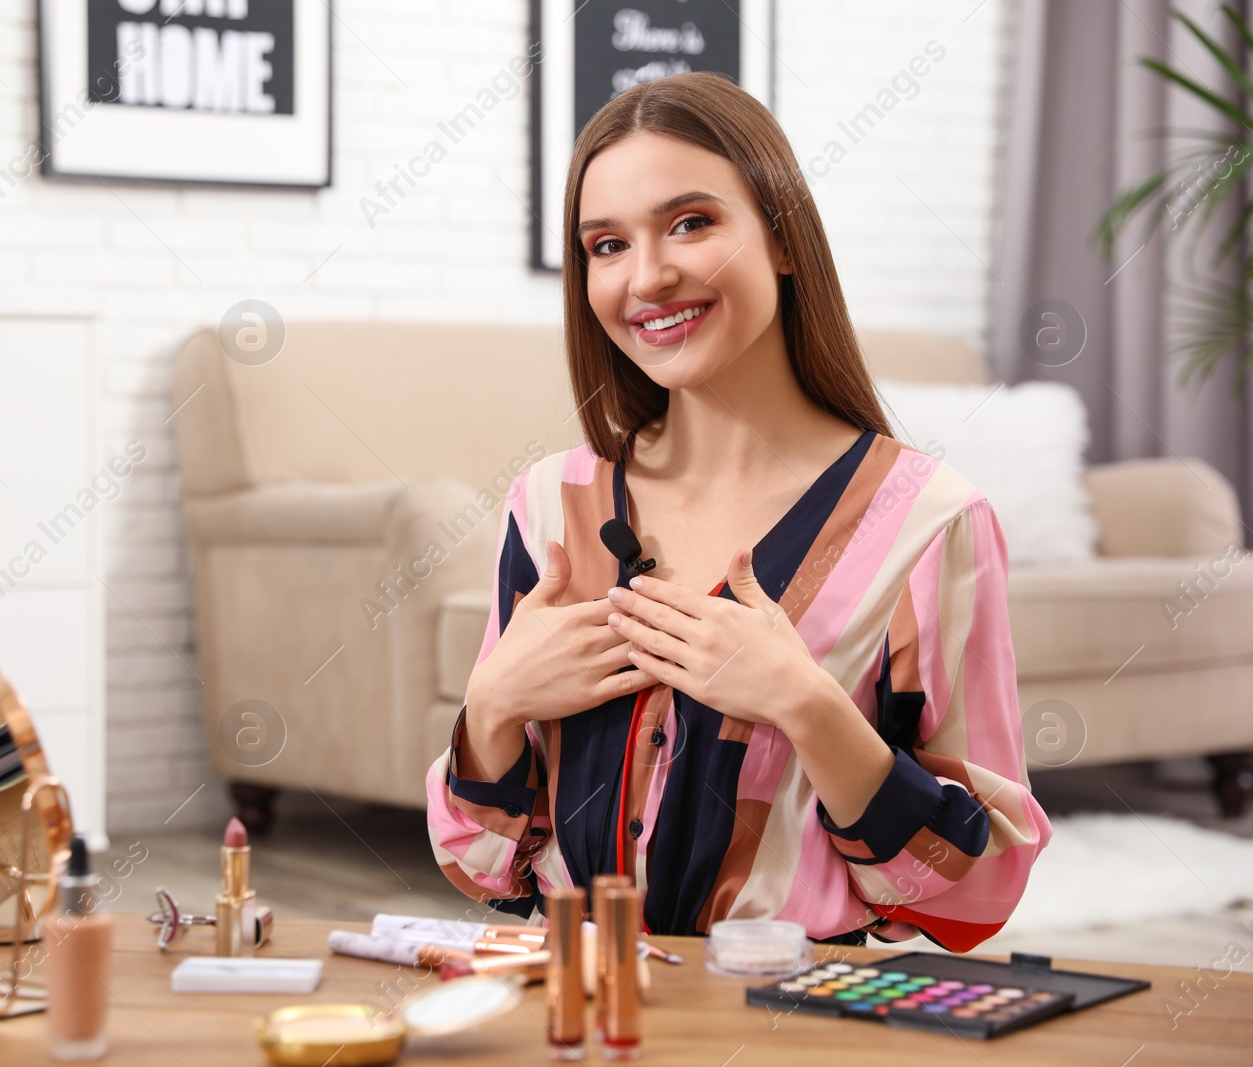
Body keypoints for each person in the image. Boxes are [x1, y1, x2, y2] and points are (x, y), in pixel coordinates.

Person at [424, 71, 1051, 951]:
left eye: (691, 223)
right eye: (606, 245)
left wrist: (808, 705)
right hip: (564, 1005)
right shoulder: (547, 505)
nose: (648, 276)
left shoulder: (930, 524)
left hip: (787, 1022)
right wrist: (491, 709)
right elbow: (481, 865)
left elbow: (978, 891)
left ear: (785, 238)